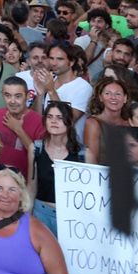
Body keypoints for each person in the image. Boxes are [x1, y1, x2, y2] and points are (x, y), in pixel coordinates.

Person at [30, 101, 81, 238]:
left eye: (59, 118)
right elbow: (32, 186)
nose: (54, 121)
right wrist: (26, 217)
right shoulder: (36, 148)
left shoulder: (83, 154)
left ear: (69, 121)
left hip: (71, 217)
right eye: (50, 117)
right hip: (41, 213)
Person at [0, 77, 44, 180]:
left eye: (18, 96)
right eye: (8, 95)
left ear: (27, 96)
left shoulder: (39, 122)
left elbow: (40, 158)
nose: (12, 101)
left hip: (24, 184)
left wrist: (18, 129)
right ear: (3, 95)